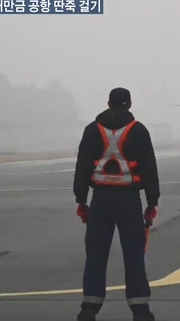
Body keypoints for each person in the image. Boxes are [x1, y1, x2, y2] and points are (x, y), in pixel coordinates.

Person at [73, 87, 160, 321]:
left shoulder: (92, 130)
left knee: (96, 255)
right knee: (133, 255)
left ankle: (89, 309)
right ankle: (140, 310)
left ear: (108, 103)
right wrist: (152, 203)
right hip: (129, 200)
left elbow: (82, 168)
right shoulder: (139, 131)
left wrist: (81, 199)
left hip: (100, 199)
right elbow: (150, 169)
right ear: (129, 104)